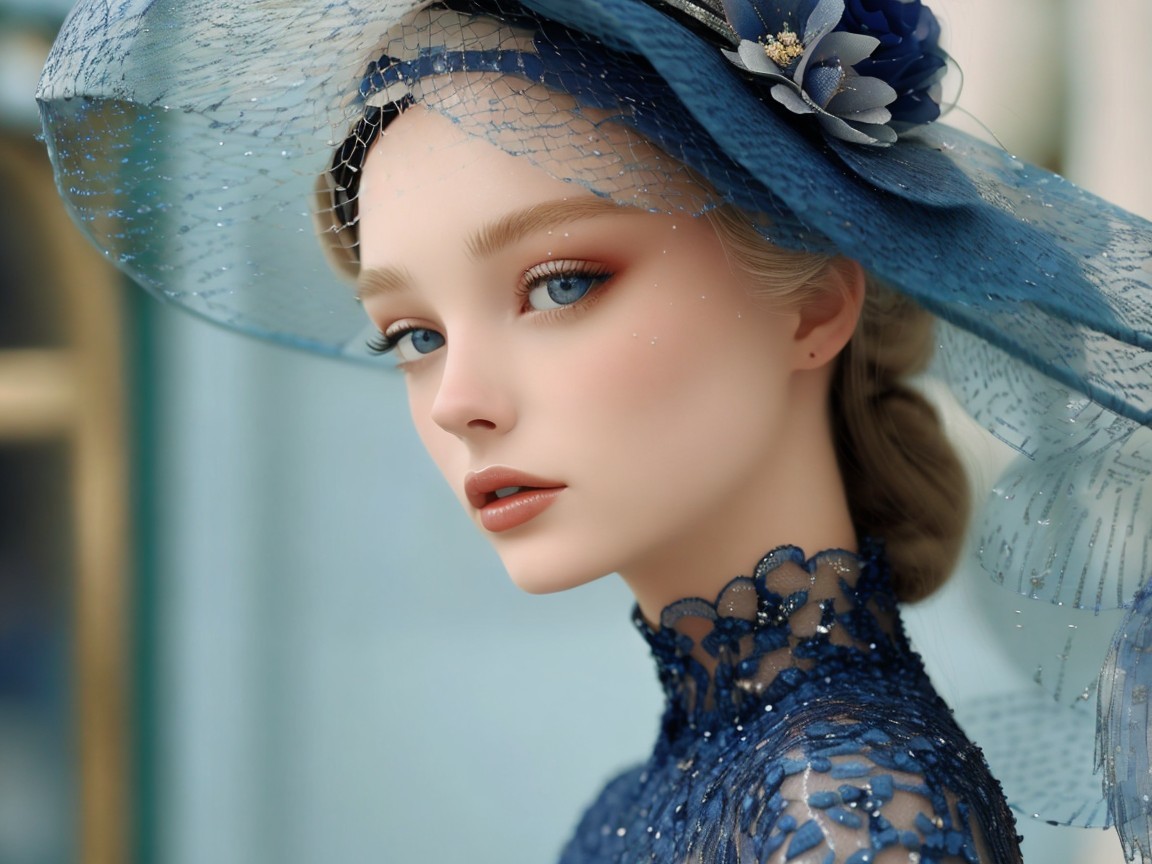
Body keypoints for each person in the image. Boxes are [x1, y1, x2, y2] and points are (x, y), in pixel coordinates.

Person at [35, 1, 1152, 862]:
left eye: (562, 284)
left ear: (815, 299)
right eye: (411, 335)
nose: (459, 398)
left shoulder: (849, 817)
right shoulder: (686, 792)